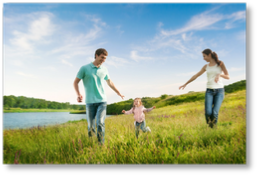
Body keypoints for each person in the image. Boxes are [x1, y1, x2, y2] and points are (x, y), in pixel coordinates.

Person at [73, 48, 124, 144]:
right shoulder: (84, 68)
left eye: (105, 58)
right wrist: (78, 94)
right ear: (96, 55)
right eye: (102, 57)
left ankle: (101, 145)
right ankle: (92, 145)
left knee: (100, 123)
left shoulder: (104, 69)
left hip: (102, 100)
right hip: (89, 102)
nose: (104, 60)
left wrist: (118, 92)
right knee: (91, 126)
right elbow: (75, 82)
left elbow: (109, 82)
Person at [179, 49, 230, 128]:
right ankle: (210, 127)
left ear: (209, 54)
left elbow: (228, 76)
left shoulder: (220, 63)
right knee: (208, 113)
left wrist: (219, 75)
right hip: (209, 91)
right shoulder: (206, 66)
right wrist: (185, 83)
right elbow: (196, 75)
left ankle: (213, 129)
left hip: (219, 91)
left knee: (215, 113)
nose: (203, 58)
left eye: (204, 56)